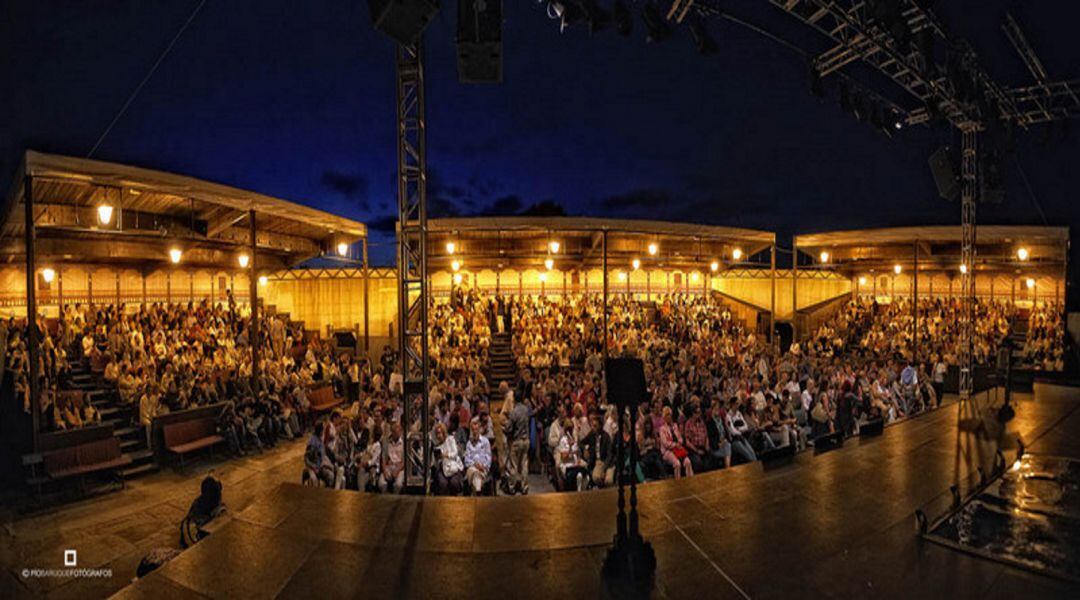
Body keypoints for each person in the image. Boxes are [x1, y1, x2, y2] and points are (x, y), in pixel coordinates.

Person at [503, 392, 531, 494]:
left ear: (514, 399)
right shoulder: (526, 410)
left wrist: (504, 427)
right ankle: (524, 486)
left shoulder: (514, 412)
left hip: (517, 441)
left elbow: (509, 428)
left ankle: (512, 487)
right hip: (526, 440)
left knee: (514, 465)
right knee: (524, 464)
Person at [659, 406, 693, 478]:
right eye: (667, 415)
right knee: (677, 464)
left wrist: (679, 443)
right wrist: (675, 445)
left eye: (670, 415)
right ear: (664, 417)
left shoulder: (675, 426)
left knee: (688, 462)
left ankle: (690, 481)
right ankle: (678, 483)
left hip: (678, 449)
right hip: (668, 451)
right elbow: (665, 443)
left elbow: (680, 438)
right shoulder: (662, 429)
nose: (669, 417)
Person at [433, 422, 464, 495]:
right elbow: (435, 463)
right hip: (443, 468)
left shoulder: (450, 439)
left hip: (453, 466)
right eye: (437, 433)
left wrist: (447, 455)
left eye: (440, 433)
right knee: (442, 484)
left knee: (454, 483)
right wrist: (438, 459)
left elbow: (455, 453)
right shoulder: (437, 447)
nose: (438, 435)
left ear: (443, 432)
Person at [464, 420, 492, 494]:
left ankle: (476, 494)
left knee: (477, 476)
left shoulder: (485, 442)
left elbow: (488, 457)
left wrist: (483, 466)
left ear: (479, 429)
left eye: (476, 429)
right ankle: (478, 492)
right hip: (472, 468)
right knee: (475, 473)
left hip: (483, 468)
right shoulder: (469, 444)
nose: (475, 431)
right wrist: (476, 465)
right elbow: (467, 461)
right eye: (473, 430)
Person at [379, 421, 405, 493]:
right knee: (381, 484)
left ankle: (395, 500)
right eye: (394, 431)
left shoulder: (404, 443)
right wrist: (384, 471)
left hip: (400, 467)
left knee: (398, 485)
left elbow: (405, 461)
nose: (396, 433)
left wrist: (398, 470)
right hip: (389, 466)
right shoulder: (386, 442)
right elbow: (383, 459)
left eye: (398, 431)